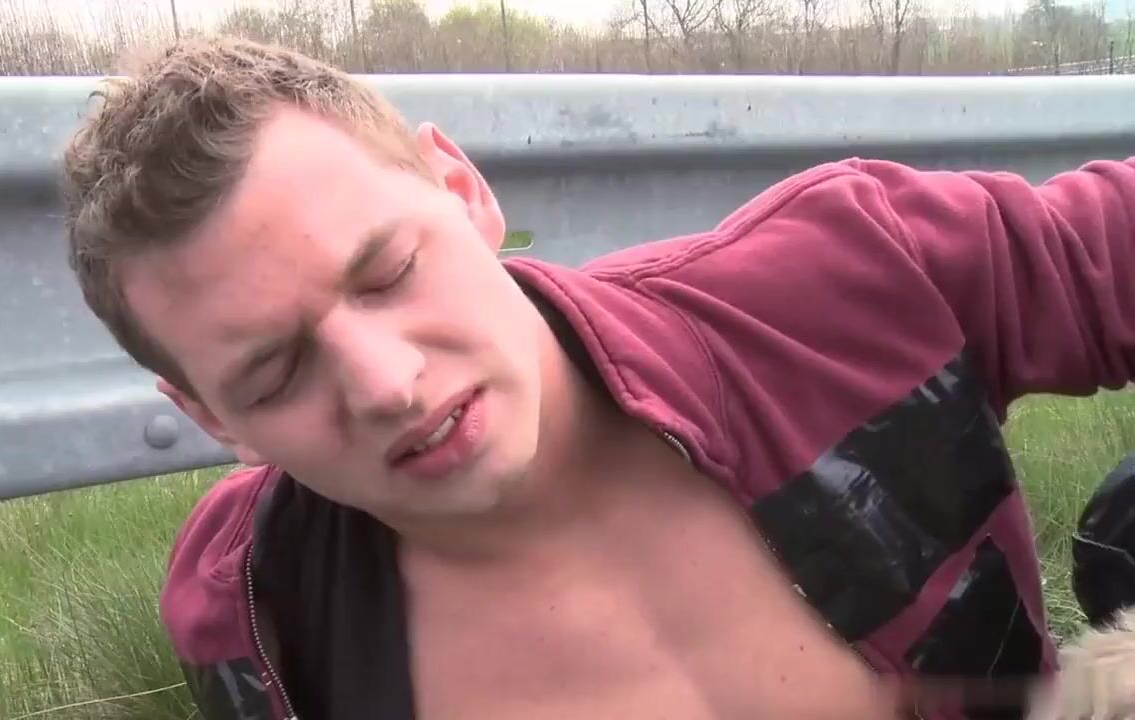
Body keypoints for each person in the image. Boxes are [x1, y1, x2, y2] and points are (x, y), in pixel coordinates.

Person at [59, 36, 1135, 720]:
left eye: (387, 273)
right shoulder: (253, 608)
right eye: (274, 373)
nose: (386, 384)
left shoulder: (846, 283)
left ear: (464, 191)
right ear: (212, 420)